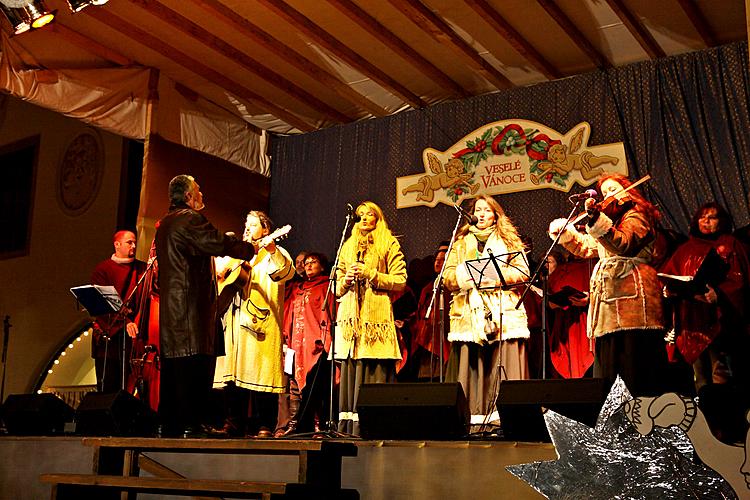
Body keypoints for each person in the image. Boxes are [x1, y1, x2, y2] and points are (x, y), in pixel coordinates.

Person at [548, 173, 667, 396]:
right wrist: (568, 235)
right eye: (604, 193)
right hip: (610, 303)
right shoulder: (610, 221)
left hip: (633, 295)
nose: (608, 196)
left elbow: (623, 244)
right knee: (611, 361)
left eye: (613, 189)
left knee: (633, 359)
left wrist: (597, 223)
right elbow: (587, 248)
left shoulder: (637, 215)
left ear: (628, 190)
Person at [155, 175, 255, 437]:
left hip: (173, 309)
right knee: (195, 366)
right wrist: (247, 248)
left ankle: (171, 424)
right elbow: (217, 242)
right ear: (188, 197)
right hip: (191, 308)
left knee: (175, 370)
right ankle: (192, 425)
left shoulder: (165, 223)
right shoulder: (190, 219)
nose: (203, 197)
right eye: (199, 191)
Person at [444, 195, 530, 429]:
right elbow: (447, 276)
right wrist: (463, 277)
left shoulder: (508, 240)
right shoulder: (460, 242)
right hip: (469, 310)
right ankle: (472, 419)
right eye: (477, 210)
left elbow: (523, 272)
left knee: (500, 361)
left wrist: (495, 278)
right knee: (473, 363)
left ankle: (503, 419)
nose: (481, 214)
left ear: (495, 214)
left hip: (502, 307)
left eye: (486, 210)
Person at [214, 211, 295, 437]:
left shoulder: (275, 253)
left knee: (261, 375)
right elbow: (219, 279)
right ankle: (234, 423)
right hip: (234, 322)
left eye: (253, 225)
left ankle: (265, 425)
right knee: (233, 376)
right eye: (246, 224)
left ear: (266, 230)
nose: (247, 229)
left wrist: (271, 250)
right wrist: (221, 273)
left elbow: (286, 272)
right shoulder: (236, 255)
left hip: (261, 324)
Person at [334, 201, 407, 435]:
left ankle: (373, 425)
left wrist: (371, 274)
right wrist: (345, 281)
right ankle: (348, 426)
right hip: (351, 320)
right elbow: (334, 286)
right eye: (360, 215)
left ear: (378, 218)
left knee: (373, 368)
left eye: (369, 215)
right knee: (351, 368)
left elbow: (400, 280)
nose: (364, 218)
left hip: (376, 316)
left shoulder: (389, 242)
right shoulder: (347, 246)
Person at [280, 252, 334, 436]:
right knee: (294, 383)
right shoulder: (297, 288)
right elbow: (288, 312)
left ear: (322, 267)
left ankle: (318, 424)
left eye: (314, 262)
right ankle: (295, 423)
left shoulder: (325, 287)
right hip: (295, 342)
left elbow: (328, 314)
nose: (309, 266)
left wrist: (326, 340)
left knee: (315, 383)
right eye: (306, 263)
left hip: (315, 343)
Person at [90, 230, 147, 393]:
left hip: (133, 339)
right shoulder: (103, 269)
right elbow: (102, 305)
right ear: (117, 244)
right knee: (108, 386)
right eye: (130, 242)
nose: (134, 246)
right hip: (109, 340)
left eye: (135, 242)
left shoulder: (142, 268)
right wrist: (125, 322)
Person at [545, 252, 595, 379]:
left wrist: (591, 299)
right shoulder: (561, 270)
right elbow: (547, 300)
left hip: (586, 322)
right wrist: (553, 304)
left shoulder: (594, 265)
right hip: (564, 325)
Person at [409, 243, 451, 380]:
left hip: (444, 339)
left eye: (442, 260)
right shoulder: (428, 288)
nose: (438, 262)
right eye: (436, 260)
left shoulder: (450, 287)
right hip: (427, 342)